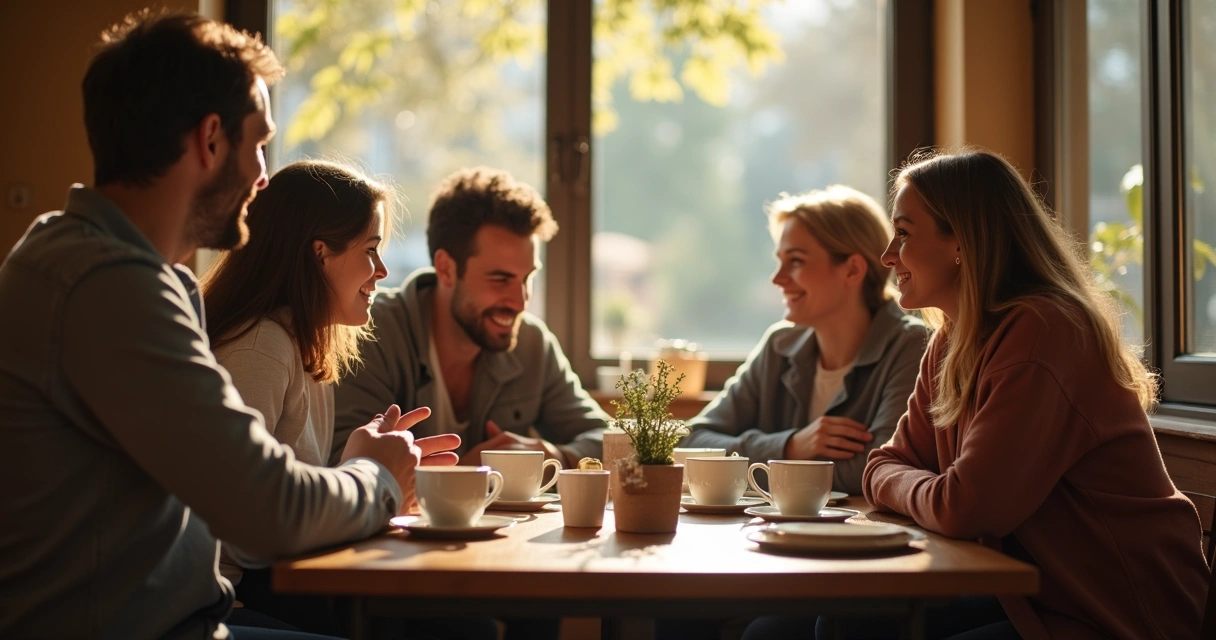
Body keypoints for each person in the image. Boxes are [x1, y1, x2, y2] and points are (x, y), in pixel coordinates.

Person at [0, 11, 457, 640]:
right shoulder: (106, 285)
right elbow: (267, 510)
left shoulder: (124, 270)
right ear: (209, 140)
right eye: (259, 142)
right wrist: (376, 476)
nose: (265, 176)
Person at [749, 149, 1210, 639]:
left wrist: (914, 487)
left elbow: (963, 507)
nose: (888, 256)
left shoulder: (1044, 330)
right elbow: (882, 464)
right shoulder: (953, 337)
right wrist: (919, 486)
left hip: (1110, 611)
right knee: (808, 627)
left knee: (846, 627)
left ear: (962, 244)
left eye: (904, 233)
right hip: (1029, 592)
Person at [200, 160, 488, 638]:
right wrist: (367, 477)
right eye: (371, 251)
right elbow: (249, 527)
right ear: (319, 255)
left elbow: (282, 501)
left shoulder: (299, 344)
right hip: (229, 602)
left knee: (466, 626)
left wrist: (376, 476)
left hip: (266, 590)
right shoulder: (260, 348)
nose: (382, 271)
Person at [332, 166, 608, 470]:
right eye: (500, 279)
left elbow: (610, 440)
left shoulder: (531, 343)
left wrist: (555, 456)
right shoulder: (369, 335)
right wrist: (463, 475)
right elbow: (343, 462)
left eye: (527, 279)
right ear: (447, 268)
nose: (520, 302)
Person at [681, 185, 928, 495]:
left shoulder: (912, 346)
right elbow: (692, 443)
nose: (777, 278)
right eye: (780, 260)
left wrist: (755, 464)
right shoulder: (778, 345)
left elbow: (873, 472)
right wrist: (791, 445)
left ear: (852, 270)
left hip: (860, 536)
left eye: (795, 261)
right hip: (774, 531)